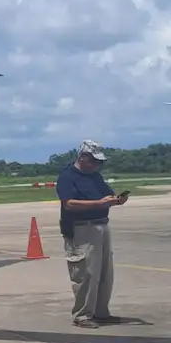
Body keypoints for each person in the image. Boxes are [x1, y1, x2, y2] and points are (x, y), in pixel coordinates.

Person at [55, 139, 126, 329]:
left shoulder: (95, 177)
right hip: (81, 228)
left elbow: (107, 196)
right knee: (86, 274)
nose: (97, 164)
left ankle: (100, 312)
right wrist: (99, 203)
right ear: (82, 157)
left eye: (99, 162)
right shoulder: (67, 176)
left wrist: (117, 200)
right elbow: (69, 203)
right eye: (93, 160)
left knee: (104, 273)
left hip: (101, 225)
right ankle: (82, 315)